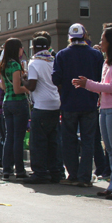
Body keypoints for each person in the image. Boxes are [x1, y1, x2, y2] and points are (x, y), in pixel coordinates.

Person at [74, 25, 112, 199]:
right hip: (106, 107)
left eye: (103, 39)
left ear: (110, 42)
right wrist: (90, 85)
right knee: (110, 149)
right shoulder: (108, 61)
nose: (100, 42)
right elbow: (105, 86)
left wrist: (88, 84)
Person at [52, 23, 104, 187]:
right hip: (90, 103)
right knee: (88, 141)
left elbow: (55, 79)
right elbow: (101, 77)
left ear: (70, 37)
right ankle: (85, 176)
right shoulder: (96, 55)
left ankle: (72, 174)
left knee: (69, 140)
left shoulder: (62, 55)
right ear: (85, 36)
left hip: (69, 103)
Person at [23, 35, 63, 183]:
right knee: (53, 140)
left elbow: (32, 86)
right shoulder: (54, 60)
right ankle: (55, 171)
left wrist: (23, 80)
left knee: (38, 141)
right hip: (55, 103)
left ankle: (40, 172)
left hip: (41, 105)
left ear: (34, 48)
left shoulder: (34, 63)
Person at [0, 38, 30, 180]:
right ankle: (20, 170)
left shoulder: (3, 66)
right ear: (17, 49)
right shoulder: (16, 66)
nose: (22, 49)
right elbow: (18, 89)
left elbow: (5, 88)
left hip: (7, 103)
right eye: (21, 47)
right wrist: (29, 89)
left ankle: (7, 169)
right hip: (18, 103)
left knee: (9, 137)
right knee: (19, 137)